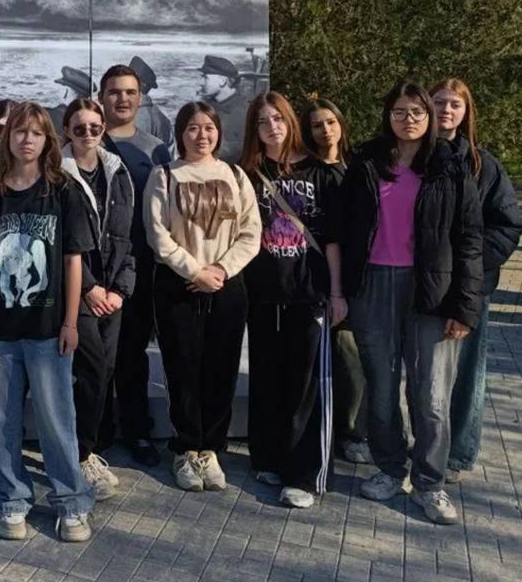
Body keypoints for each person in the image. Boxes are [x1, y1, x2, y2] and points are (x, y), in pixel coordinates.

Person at [339, 81, 482, 525]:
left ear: (429, 117)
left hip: (431, 292)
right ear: (388, 116)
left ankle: (429, 483)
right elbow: (343, 229)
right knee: (381, 389)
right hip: (373, 287)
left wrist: (464, 306)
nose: (409, 120)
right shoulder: (366, 162)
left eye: (417, 112)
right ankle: (389, 468)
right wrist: (341, 290)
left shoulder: (449, 166)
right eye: (399, 111)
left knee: (432, 395)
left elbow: (470, 239)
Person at [0, 102, 96, 542]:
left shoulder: (63, 192)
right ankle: (12, 499)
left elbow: (73, 260)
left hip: (47, 329)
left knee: (57, 420)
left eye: (36, 133)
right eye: (19, 132)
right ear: (7, 139)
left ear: (47, 140)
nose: (27, 140)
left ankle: (71, 503)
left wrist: (70, 322)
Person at [145, 101, 261, 492]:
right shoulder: (165, 176)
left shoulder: (235, 175)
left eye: (208, 127)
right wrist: (195, 271)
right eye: (193, 128)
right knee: (182, 368)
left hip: (227, 284)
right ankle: (185, 448)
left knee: (221, 368)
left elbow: (251, 232)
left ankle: (210, 448)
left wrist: (220, 270)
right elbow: (158, 234)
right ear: (181, 133)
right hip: (179, 285)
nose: (202, 135)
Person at [240, 92, 345, 509]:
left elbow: (334, 239)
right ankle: (268, 456)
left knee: (307, 385)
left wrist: (336, 293)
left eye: (278, 119)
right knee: (267, 376)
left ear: (290, 122)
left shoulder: (321, 172)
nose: (272, 127)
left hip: (309, 292)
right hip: (263, 292)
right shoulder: (247, 173)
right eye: (263, 121)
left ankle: (304, 473)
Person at [430, 78, 522, 480]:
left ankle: (457, 453)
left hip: (469, 287)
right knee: (420, 374)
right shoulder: (411, 159)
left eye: (455, 104)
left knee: (466, 374)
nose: (446, 110)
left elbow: (507, 226)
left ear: (466, 112)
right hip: (419, 284)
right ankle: (416, 445)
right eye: (439, 102)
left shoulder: (484, 166)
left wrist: (466, 265)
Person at [60, 98, 134, 501]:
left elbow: (127, 236)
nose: (87, 133)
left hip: (112, 292)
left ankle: (86, 449)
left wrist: (121, 289)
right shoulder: (57, 174)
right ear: (66, 131)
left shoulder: (117, 172)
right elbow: (57, 240)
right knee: (90, 369)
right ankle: (81, 456)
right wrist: (89, 288)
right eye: (79, 127)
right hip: (75, 290)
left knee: (103, 371)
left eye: (94, 127)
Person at [98, 63, 171, 465]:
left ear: (140, 98)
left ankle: (137, 430)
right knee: (94, 355)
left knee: (132, 352)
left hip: (138, 268)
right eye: (114, 92)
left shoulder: (155, 149)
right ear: (101, 97)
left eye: (129, 92)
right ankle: (96, 431)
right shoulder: (87, 141)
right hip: (94, 270)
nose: (122, 99)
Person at [302, 99, 371, 466]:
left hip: (360, 274)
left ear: (341, 124)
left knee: (355, 357)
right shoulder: (305, 171)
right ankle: (338, 431)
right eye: (317, 125)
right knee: (336, 356)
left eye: (330, 122)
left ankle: (356, 430)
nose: (325, 130)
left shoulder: (360, 166)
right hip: (318, 275)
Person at [197, 55, 248, 163]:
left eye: (206, 78)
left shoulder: (245, 112)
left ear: (222, 81)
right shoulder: (204, 108)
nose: (201, 83)